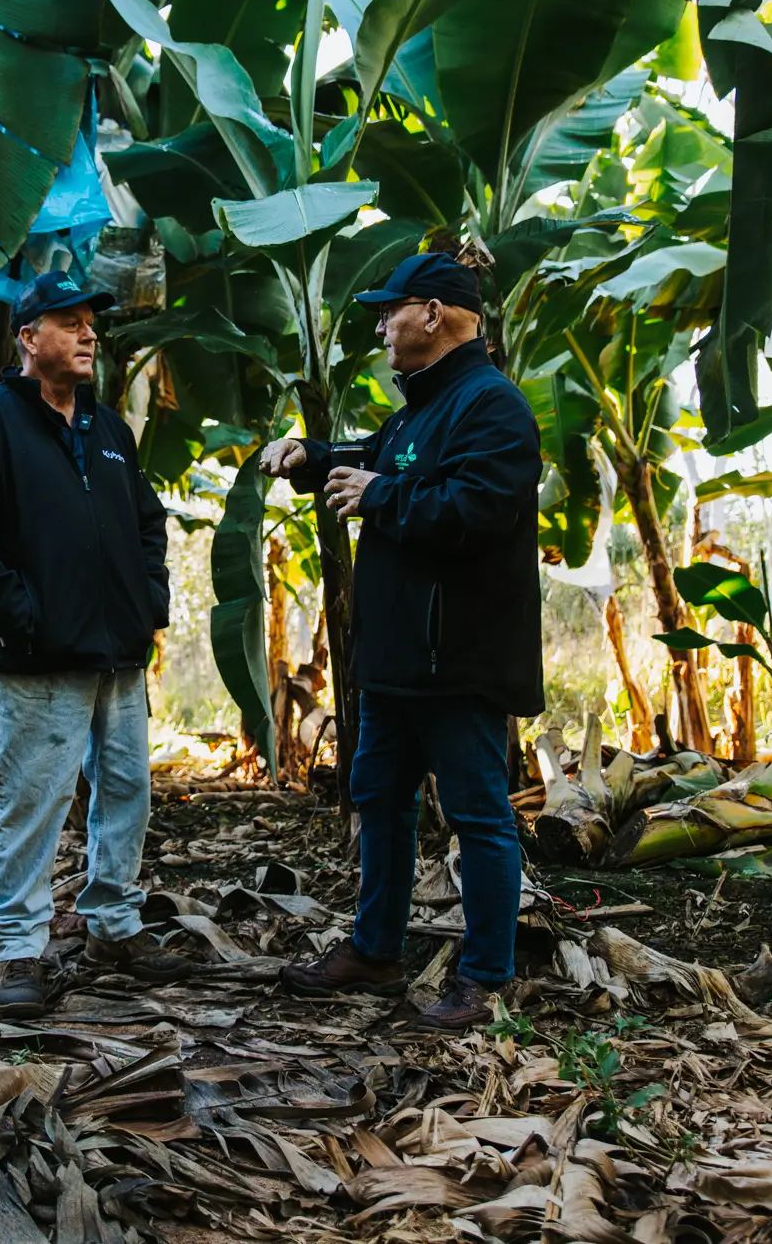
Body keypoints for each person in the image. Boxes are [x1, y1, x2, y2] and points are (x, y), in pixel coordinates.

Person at [259, 251, 544, 1031]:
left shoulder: (494, 407)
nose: (381, 325)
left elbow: (476, 507)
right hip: (394, 664)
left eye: (390, 310)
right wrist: (312, 458)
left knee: (478, 815)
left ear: (433, 312)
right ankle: (375, 949)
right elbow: (376, 458)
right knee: (378, 802)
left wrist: (385, 495)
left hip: (458, 660)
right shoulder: (419, 410)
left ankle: (484, 978)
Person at [0, 271, 193, 1018]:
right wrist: (26, 616)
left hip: (119, 652)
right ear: (28, 336)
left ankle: (114, 924)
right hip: (41, 658)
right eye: (69, 322)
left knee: (126, 792)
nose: (88, 335)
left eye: (91, 325)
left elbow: (147, 523)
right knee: (31, 801)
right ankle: (16, 949)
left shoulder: (105, 429)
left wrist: (150, 604)